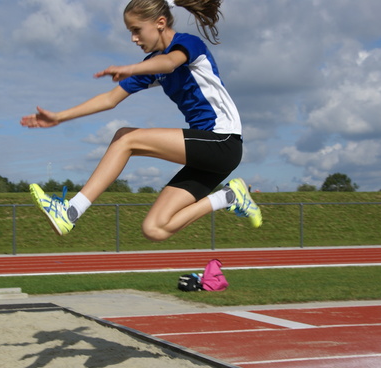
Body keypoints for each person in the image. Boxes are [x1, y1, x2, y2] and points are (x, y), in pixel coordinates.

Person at [21, 0, 262, 240]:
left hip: (223, 141)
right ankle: (230, 196)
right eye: (130, 32)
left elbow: (169, 63)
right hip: (206, 152)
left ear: (160, 23)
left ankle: (71, 211)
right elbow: (110, 99)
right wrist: (59, 117)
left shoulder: (188, 44)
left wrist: (132, 68)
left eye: (136, 30)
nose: (134, 38)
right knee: (154, 228)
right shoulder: (151, 65)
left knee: (126, 138)